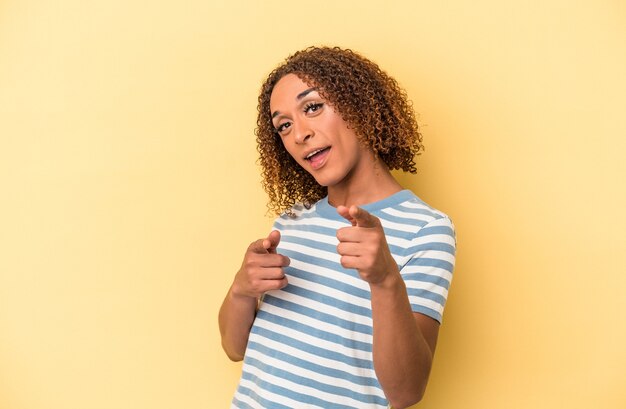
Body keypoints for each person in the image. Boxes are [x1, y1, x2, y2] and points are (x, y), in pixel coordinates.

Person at [218, 46, 456, 409]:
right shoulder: (292, 222)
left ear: (358, 105)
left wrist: (385, 279)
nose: (299, 134)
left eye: (312, 107)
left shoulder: (426, 229)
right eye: (284, 125)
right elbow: (234, 349)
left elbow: (406, 392)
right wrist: (241, 289)